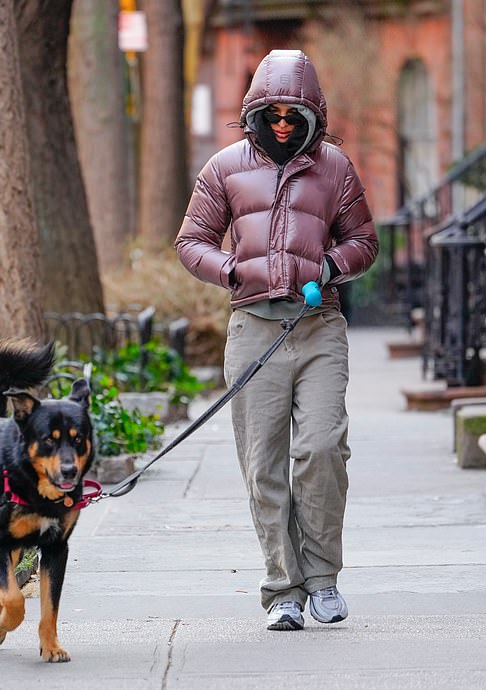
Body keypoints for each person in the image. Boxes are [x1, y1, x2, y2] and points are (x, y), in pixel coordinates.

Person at [175, 50, 378, 631]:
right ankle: (282, 588)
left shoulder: (335, 168)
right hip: (252, 328)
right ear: (255, 112)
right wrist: (232, 271)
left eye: (295, 113)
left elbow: (364, 240)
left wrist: (332, 266)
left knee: (321, 448)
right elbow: (192, 241)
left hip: (318, 328)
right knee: (262, 462)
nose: (284, 122)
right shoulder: (223, 168)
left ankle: (323, 579)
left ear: (313, 113)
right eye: (273, 112)